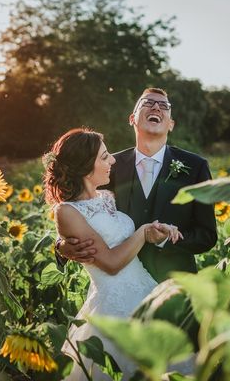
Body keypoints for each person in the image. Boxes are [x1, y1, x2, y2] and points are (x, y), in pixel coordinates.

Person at [44, 127, 183, 380]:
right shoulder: (66, 211)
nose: (113, 160)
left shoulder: (108, 196)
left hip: (146, 290)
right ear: (87, 166)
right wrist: (141, 233)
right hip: (113, 305)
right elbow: (110, 263)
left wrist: (155, 230)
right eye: (105, 156)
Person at [56, 88, 217, 282]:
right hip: (122, 290)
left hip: (176, 287)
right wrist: (61, 245)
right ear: (132, 118)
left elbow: (206, 235)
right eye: (148, 103)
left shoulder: (195, 167)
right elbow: (77, 210)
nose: (156, 107)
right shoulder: (106, 167)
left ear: (171, 124)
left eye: (164, 106)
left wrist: (166, 239)